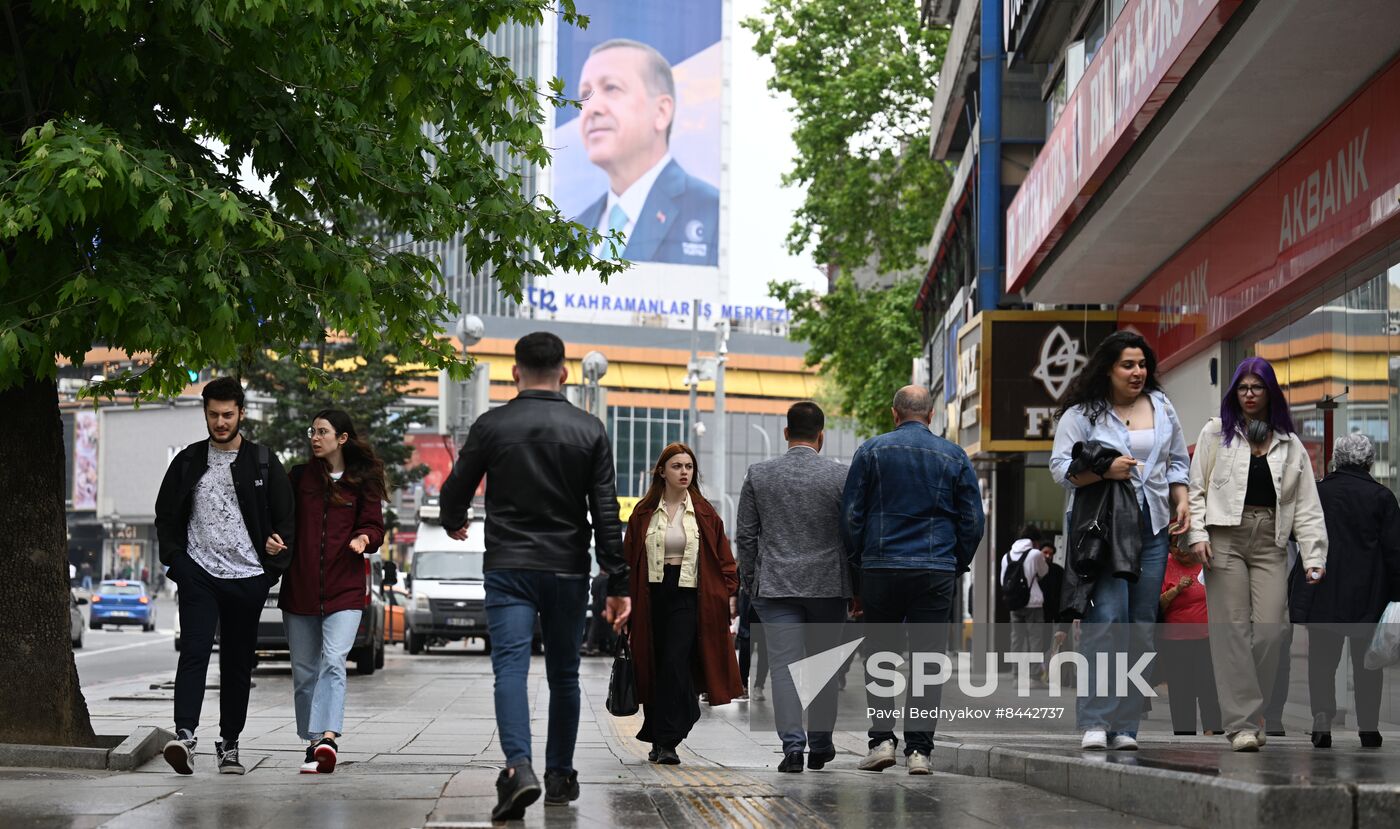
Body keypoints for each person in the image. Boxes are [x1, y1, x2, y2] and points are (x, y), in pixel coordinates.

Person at [438, 332, 630, 822]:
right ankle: (561, 776)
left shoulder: (492, 425)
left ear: (514, 372)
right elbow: (605, 510)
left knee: (510, 669)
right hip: (567, 568)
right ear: (564, 373)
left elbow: (456, 486)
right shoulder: (589, 429)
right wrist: (618, 582)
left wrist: (454, 518)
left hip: (509, 567)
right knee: (564, 674)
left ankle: (518, 768)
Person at [1050, 330, 1191, 751]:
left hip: (1152, 528)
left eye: (1142, 364)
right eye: (1127, 365)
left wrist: (1181, 500)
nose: (1137, 372)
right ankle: (1095, 718)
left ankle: (1126, 726)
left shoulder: (1162, 406)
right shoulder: (1083, 413)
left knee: (1141, 628)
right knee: (1107, 622)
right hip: (1104, 530)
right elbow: (1060, 468)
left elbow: (1178, 462)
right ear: (1107, 369)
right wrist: (1104, 471)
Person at [153, 377, 295, 775]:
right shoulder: (187, 460)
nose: (220, 422)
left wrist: (271, 567)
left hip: (248, 578)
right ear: (205, 413)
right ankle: (184, 736)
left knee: (236, 663)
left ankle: (229, 744)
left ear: (241, 413)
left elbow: (287, 520)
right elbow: (165, 516)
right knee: (194, 653)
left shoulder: (263, 461)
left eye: (227, 415)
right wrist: (178, 564)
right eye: (213, 414)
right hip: (198, 574)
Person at [1185, 356, 1327, 752]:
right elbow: (1197, 489)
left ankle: (1253, 708)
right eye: (1243, 388)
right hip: (1224, 539)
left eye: (1257, 387)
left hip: (1270, 542)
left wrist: (1314, 555)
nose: (1249, 395)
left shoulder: (1289, 443)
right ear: (1235, 393)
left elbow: (1306, 505)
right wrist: (1198, 534)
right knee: (1233, 632)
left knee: (1271, 632)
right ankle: (1242, 723)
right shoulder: (1216, 434)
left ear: (1270, 393)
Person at [843, 386, 985, 775]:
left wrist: (859, 564)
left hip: (881, 567)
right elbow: (973, 520)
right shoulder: (954, 455)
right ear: (931, 414)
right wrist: (955, 562)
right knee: (927, 661)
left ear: (894, 414)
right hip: (933, 569)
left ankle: (882, 742)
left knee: (881, 657)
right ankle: (919, 751)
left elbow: (852, 515)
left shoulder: (871, 451)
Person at [735, 402, 853, 773]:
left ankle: (792, 747)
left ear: (786, 433)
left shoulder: (760, 475)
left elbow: (746, 536)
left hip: (776, 585)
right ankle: (819, 743)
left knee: (783, 668)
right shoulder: (841, 477)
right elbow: (853, 534)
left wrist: (752, 582)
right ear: (822, 435)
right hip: (828, 585)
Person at [279, 409, 386, 774]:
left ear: (341, 438)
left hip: (345, 589)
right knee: (304, 670)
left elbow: (374, 525)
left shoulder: (363, 480)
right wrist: (275, 541)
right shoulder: (299, 478)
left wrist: (363, 538)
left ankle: (328, 737)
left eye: (323, 431)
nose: (315, 437)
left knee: (334, 661)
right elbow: (282, 521)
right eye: (313, 431)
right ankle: (312, 744)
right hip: (301, 589)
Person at [625, 443, 743, 765]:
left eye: (688, 467)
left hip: (689, 595)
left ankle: (667, 741)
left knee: (675, 663)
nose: (684, 472)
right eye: (677, 466)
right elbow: (628, 558)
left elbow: (724, 560)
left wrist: (726, 593)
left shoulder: (705, 512)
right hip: (651, 594)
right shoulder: (643, 512)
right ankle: (660, 733)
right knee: (654, 664)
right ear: (662, 471)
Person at [1291, 433, 1400, 748]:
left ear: (1335, 460)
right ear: (1369, 461)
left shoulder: (1319, 493)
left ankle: (1322, 720)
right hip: (1369, 594)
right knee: (1369, 661)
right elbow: (1394, 552)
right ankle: (1368, 727)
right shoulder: (1382, 497)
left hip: (1323, 590)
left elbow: (1300, 535)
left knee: (1322, 662)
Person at [574, 39, 719, 266]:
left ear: (661, 112)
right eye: (585, 94)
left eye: (611, 88)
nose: (591, 108)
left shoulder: (713, 213)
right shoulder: (572, 232)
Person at [1158, 546, 1222, 735]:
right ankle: (1184, 735)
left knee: (1209, 686)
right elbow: (1157, 604)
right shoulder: (1164, 563)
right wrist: (1176, 590)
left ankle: (1213, 731)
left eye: (1183, 546)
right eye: (1174, 547)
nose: (1179, 551)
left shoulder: (1206, 559)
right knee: (1180, 689)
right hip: (1175, 639)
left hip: (1207, 637)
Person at [1001, 525, 1049, 682]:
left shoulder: (1007, 556)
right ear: (1035, 541)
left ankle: (1016, 676)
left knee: (1017, 640)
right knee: (1035, 640)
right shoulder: (1035, 554)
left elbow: (1003, 581)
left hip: (1014, 603)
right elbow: (1044, 572)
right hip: (1033, 603)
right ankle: (1034, 677)